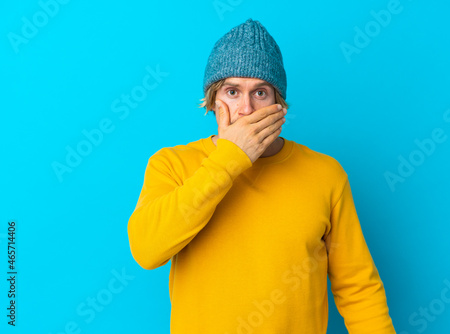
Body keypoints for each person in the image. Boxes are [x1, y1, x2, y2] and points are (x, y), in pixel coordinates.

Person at [127, 18, 396, 334]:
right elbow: (147, 250)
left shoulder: (325, 174)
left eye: (260, 92)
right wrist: (229, 159)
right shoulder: (172, 164)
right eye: (232, 91)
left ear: (279, 104)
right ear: (212, 101)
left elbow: (357, 288)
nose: (245, 109)